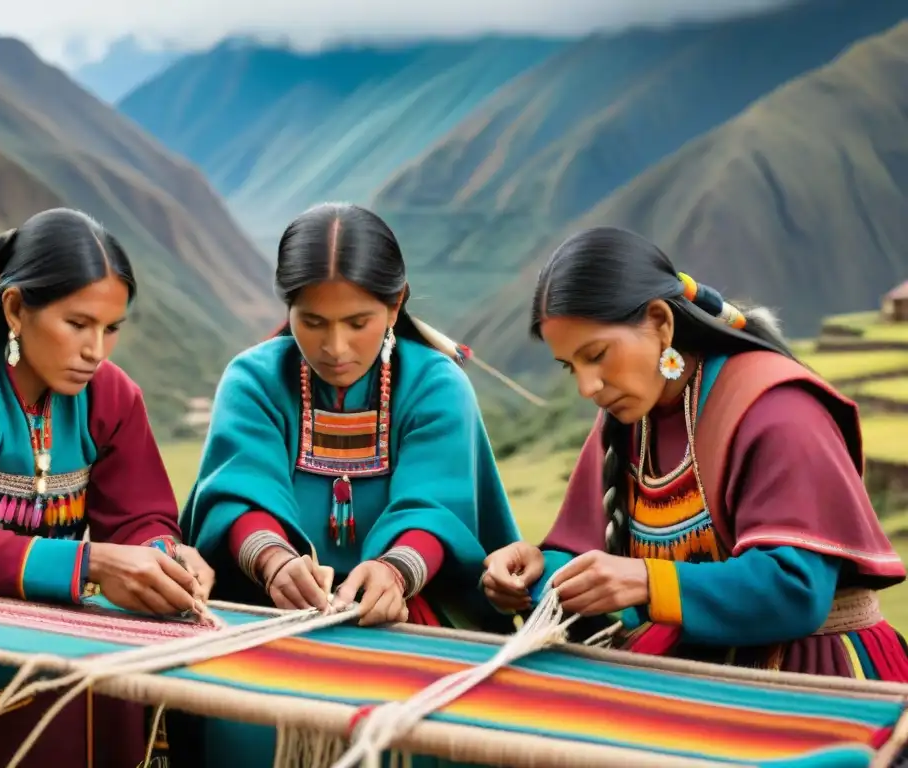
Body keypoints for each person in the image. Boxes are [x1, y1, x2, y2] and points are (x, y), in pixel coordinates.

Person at [172, 202, 530, 765]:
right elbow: (239, 493)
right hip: (269, 609)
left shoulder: (436, 384)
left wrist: (395, 571)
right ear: (288, 308)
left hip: (410, 607)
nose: (335, 348)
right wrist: (273, 562)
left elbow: (436, 508)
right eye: (312, 321)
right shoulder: (253, 379)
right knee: (240, 724)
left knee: (423, 730)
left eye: (357, 322)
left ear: (396, 305)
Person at [482, 226, 908, 680]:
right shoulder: (629, 422)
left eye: (598, 354)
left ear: (661, 323)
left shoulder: (778, 410)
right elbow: (591, 559)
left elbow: (796, 589)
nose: (588, 387)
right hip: (694, 666)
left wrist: (646, 581)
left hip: (813, 675)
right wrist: (537, 572)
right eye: (572, 368)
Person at [0, 208, 215, 766]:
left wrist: (163, 559)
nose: (96, 351)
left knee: (135, 654)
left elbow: (141, 518)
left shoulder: (112, 397)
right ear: (16, 309)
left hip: (48, 595)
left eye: (111, 329)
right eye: (77, 324)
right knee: (6, 665)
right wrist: (97, 566)